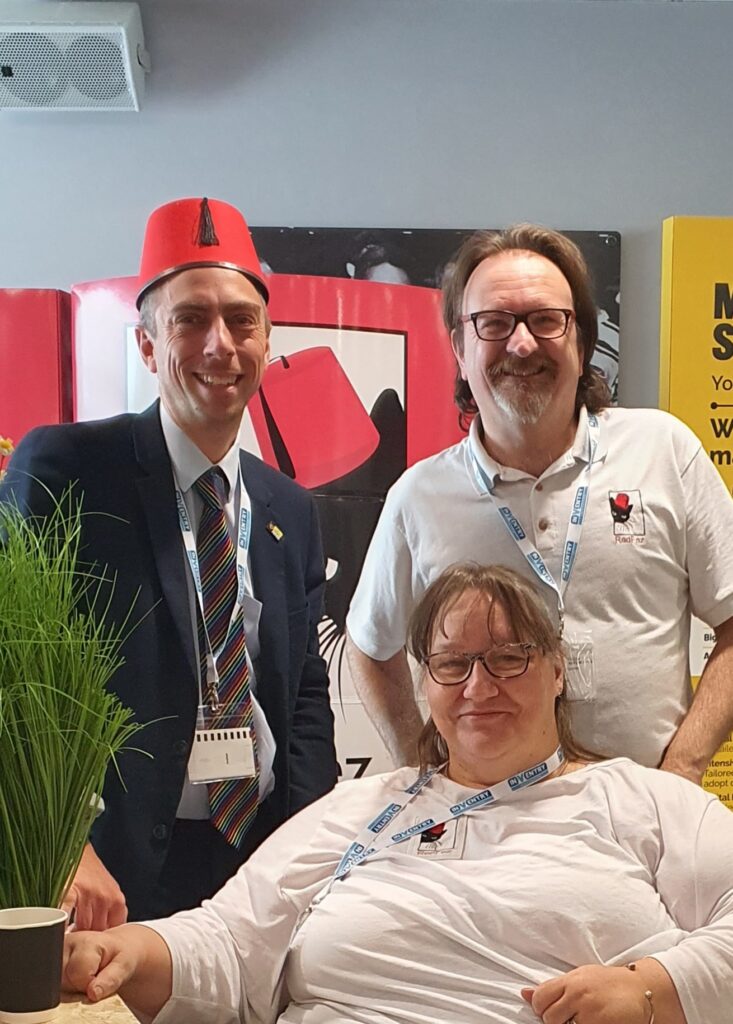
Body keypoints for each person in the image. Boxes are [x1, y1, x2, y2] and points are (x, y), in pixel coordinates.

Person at [62, 563, 733, 1024]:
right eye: (451, 663)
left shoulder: (637, 801)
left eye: (507, 658)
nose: (477, 687)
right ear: (426, 681)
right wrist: (128, 949)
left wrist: (651, 991)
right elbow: (231, 942)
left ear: (556, 670)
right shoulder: (362, 808)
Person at [0, 197, 338, 926]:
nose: (220, 343)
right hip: (109, 871)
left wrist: (309, 845)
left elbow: (304, 693)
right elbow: (14, 671)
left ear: (267, 339)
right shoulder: (67, 469)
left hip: (260, 861)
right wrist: (61, 848)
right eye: (190, 319)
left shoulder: (289, 510)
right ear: (148, 344)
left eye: (241, 320)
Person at [345, 223, 733, 777]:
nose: (521, 343)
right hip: (486, 829)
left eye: (546, 320)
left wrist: (685, 769)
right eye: (494, 323)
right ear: (459, 346)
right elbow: (369, 645)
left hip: (643, 823)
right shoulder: (419, 497)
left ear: (582, 340)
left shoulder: (663, 451)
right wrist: (419, 768)